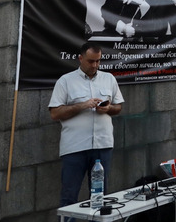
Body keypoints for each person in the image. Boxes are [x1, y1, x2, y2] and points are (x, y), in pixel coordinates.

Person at [49, 41, 125, 207]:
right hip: (75, 147)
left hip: (102, 145)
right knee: (69, 196)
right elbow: (55, 113)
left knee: (100, 198)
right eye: (91, 61)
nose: (95, 65)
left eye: (98, 61)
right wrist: (83, 105)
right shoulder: (65, 81)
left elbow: (118, 107)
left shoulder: (109, 78)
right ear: (80, 59)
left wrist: (109, 108)